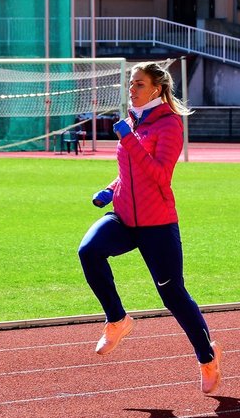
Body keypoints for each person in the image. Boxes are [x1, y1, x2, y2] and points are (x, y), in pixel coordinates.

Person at [77, 60, 221, 394]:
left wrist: (129, 140)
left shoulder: (169, 125)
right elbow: (129, 173)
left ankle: (208, 357)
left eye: (139, 84)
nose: (132, 89)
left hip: (157, 223)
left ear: (156, 88)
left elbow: (159, 177)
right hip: (124, 216)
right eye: (131, 83)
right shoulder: (132, 121)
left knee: (173, 295)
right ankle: (117, 320)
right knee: (89, 251)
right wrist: (110, 189)